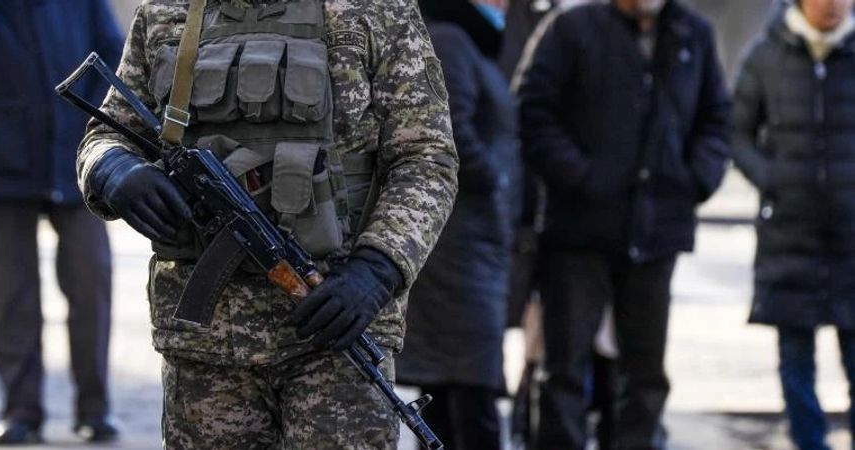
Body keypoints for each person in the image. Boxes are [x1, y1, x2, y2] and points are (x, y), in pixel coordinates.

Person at [77, 0, 458, 448]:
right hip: (206, 348)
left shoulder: (375, 10)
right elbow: (107, 133)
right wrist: (113, 170)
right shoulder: (167, 12)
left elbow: (426, 158)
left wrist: (378, 269)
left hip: (333, 333)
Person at [518, 0, 731, 448]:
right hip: (578, 231)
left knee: (646, 375)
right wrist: (579, 178)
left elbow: (717, 118)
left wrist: (694, 180)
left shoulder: (694, 32)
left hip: (658, 230)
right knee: (564, 370)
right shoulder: (573, 28)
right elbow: (534, 111)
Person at [0, 0, 124, 445]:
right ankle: (20, 411)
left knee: (92, 282)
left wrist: (105, 133)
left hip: (74, 158)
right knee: (12, 295)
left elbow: (115, 52)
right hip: (3, 159)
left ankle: (95, 409)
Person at [733, 0, 855, 448]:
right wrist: (771, 179)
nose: (836, 4)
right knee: (795, 358)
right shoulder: (767, 54)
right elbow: (736, 131)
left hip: (851, 236)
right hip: (789, 232)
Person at [396, 0, 518, 449]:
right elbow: (451, 130)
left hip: (472, 244)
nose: (503, 4)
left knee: (457, 388)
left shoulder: (467, 43)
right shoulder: (450, 40)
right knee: (471, 388)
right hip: (458, 251)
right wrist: (496, 180)